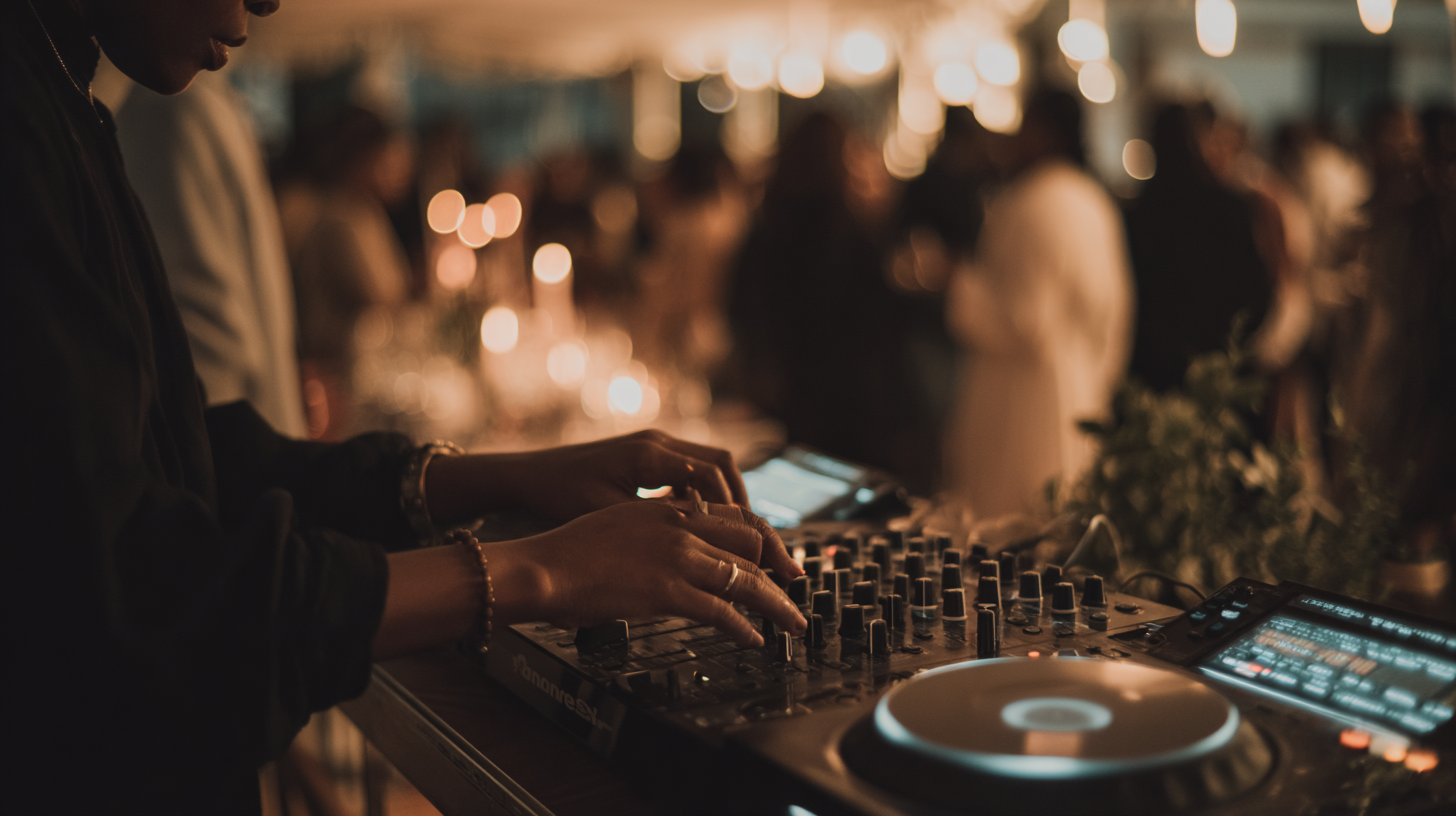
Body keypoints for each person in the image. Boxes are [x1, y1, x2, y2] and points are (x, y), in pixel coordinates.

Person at [1, 2, 804, 813]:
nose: (269, 4)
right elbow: (139, 596)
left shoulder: (60, 91)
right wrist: (542, 569)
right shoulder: (22, 121)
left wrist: (506, 478)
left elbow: (192, 460)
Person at [943, 89, 1133, 520]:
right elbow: (1117, 313)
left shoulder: (1033, 202)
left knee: (1011, 529)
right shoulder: (1093, 201)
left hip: (1025, 406)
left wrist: (957, 283)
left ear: (1047, 132)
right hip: (1079, 391)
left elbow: (1023, 323)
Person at [115, 67, 308, 437]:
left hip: (252, 435)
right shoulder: (172, 113)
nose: (240, 41)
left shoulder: (199, 107)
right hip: (235, 442)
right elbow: (200, 341)